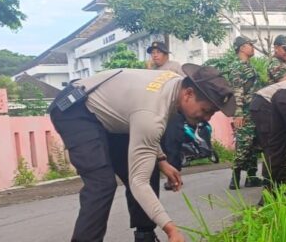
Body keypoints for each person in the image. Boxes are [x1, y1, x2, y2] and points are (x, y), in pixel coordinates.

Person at [49, 64, 235, 242]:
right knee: (102, 184)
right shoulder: (152, 111)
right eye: (206, 110)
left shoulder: (174, 85)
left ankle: (144, 236)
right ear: (188, 93)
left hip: (112, 117)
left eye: (212, 114)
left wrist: (161, 160)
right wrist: (171, 229)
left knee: (149, 166)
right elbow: (139, 180)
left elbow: (146, 127)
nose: (207, 118)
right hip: (75, 109)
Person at [227, 36, 263, 190]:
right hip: (245, 112)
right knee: (243, 144)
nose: (252, 47)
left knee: (253, 144)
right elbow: (237, 91)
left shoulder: (249, 66)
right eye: (250, 45)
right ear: (242, 48)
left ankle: (252, 177)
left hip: (254, 110)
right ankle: (234, 179)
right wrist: (239, 113)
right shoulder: (238, 67)